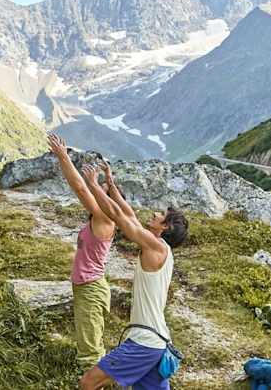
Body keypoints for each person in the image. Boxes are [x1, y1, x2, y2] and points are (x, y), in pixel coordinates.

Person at [79, 163, 189, 390]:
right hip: (156, 343)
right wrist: (110, 184)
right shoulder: (158, 247)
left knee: (89, 382)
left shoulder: (156, 247)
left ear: (165, 227)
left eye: (161, 215)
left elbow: (119, 217)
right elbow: (127, 213)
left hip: (144, 343)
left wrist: (92, 185)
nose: (156, 213)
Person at [47, 134, 117, 369]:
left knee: (90, 353)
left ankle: (95, 382)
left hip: (91, 289)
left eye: (102, 191)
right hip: (87, 286)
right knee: (90, 341)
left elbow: (80, 188)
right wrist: (106, 179)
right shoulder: (100, 218)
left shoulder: (105, 219)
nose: (97, 192)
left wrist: (63, 156)